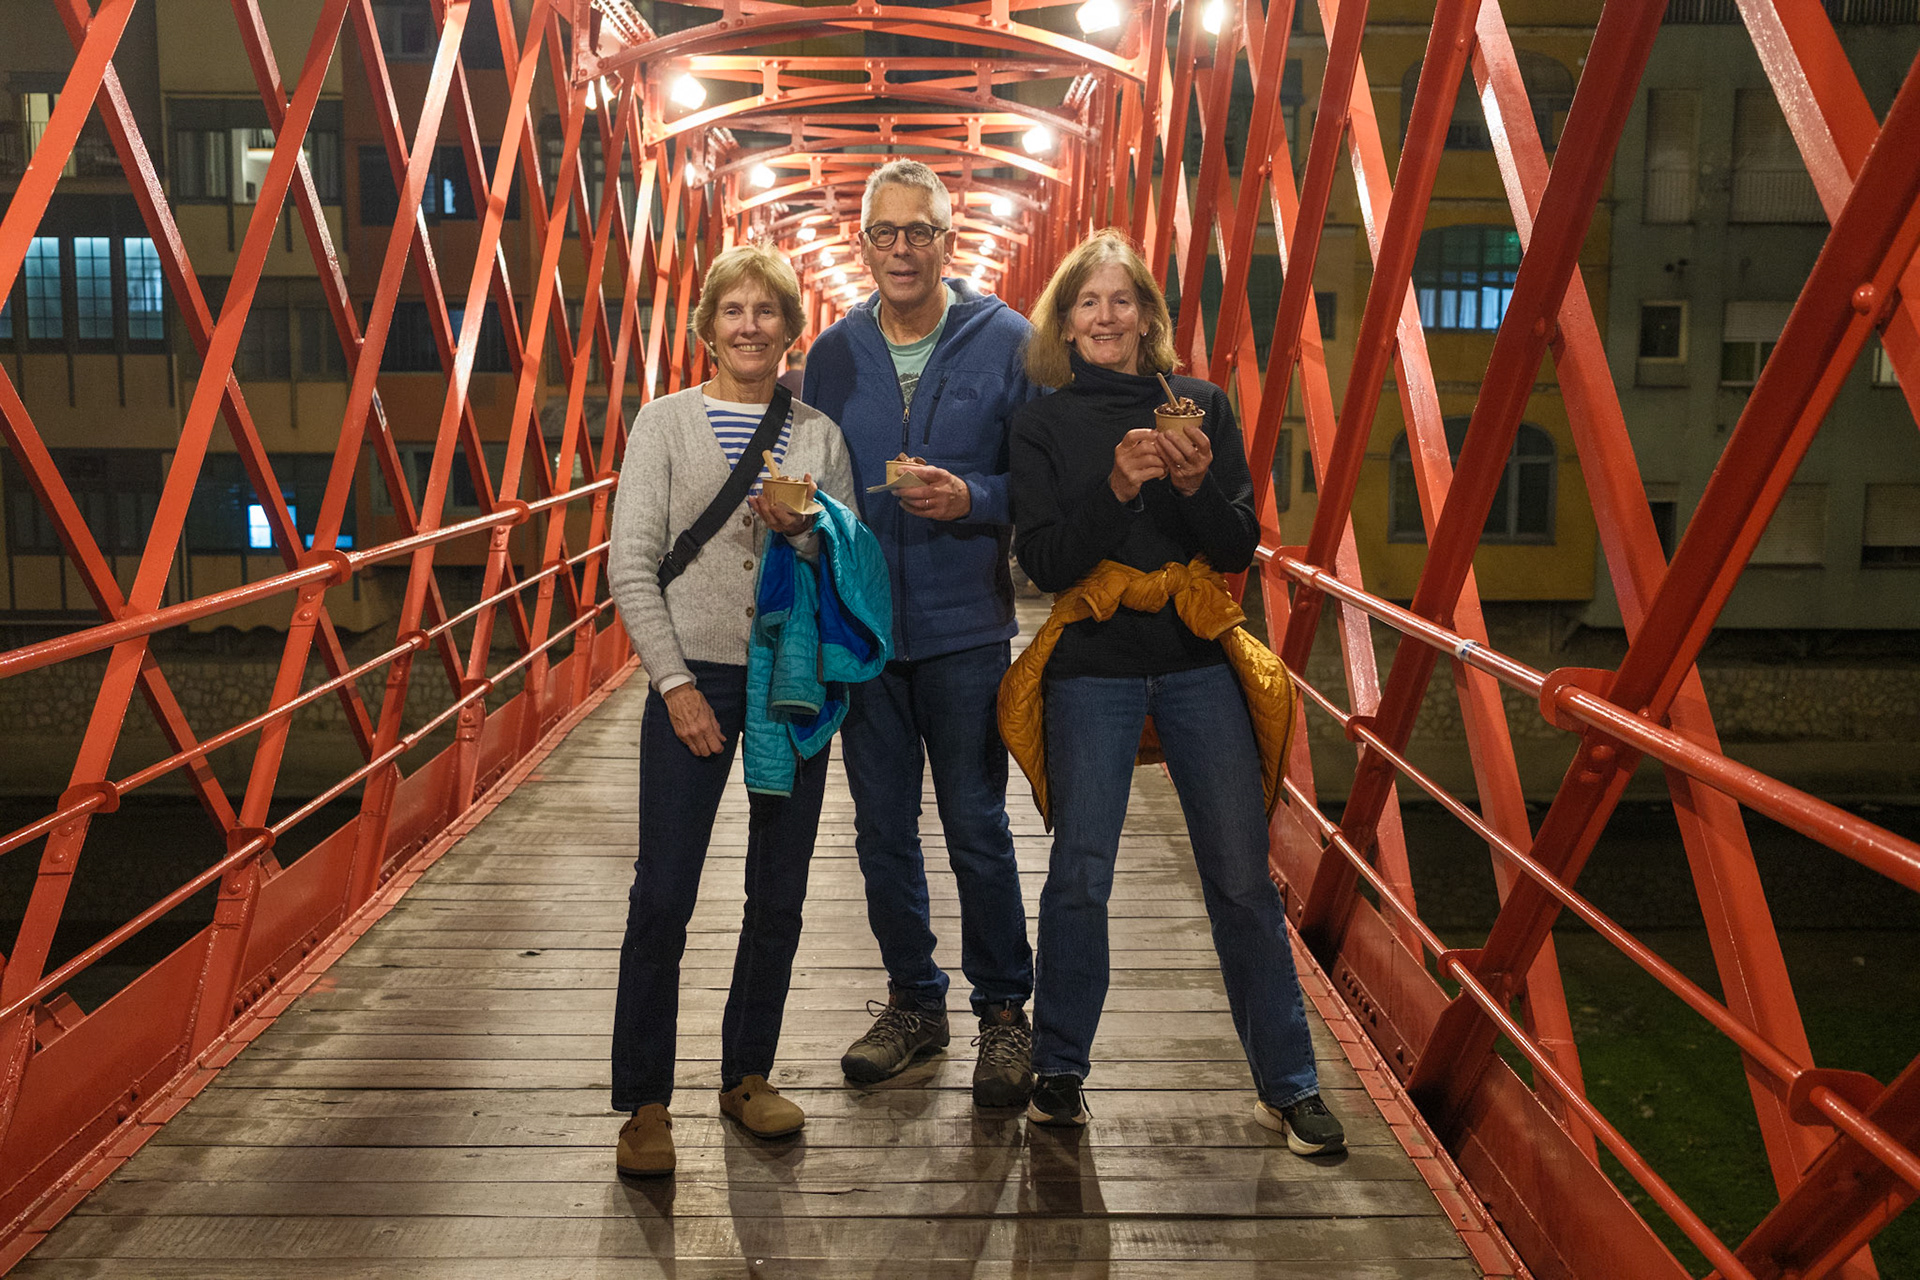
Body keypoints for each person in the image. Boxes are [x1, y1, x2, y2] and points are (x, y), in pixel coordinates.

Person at [998, 229, 1345, 1155]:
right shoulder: (1043, 422)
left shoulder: (1200, 405)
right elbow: (1044, 564)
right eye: (1087, 303)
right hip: (1093, 667)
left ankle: (1290, 1085)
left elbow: (1235, 548)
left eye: (1122, 301)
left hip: (1196, 660)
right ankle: (1060, 1070)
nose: (1105, 317)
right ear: (1064, 322)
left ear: (1149, 316)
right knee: (1079, 876)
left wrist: (1193, 489)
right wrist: (1116, 486)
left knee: (1240, 877)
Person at [606, 244, 862, 1177]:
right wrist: (673, 685)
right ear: (706, 325)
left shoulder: (820, 435)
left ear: (793, 331)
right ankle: (644, 1101)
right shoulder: (663, 425)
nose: (750, 326)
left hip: (790, 681)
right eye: (733, 310)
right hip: (697, 679)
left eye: (768, 311)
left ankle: (746, 1074)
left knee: (779, 892)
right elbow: (630, 564)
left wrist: (813, 532)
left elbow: (850, 565)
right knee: (662, 894)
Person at [802, 159, 1039, 1106]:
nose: (902, 249)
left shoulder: (1009, 342)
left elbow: (1041, 483)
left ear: (952, 236)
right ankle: (913, 1002)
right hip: (864, 629)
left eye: (921, 231)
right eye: (885, 233)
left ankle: (1005, 1014)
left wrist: (973, 495)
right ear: (863, 243)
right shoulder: (831, 354)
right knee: (881, 832)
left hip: (965, 628)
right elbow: (808, 470)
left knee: (978, 826)